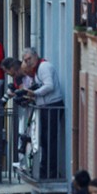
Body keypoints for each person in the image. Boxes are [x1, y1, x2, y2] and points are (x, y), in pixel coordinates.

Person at [21, 47, 64, 179]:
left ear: (36, 56)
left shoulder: (43, 67)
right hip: (46, 107)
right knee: (45, 139)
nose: (28, 62)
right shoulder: (36, 70)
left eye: (29, 59)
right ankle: (46, 168)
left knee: (49, 139)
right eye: (25, 60)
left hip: (52, 106)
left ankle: (51, 170)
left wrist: (34, 93)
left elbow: (49, 86)